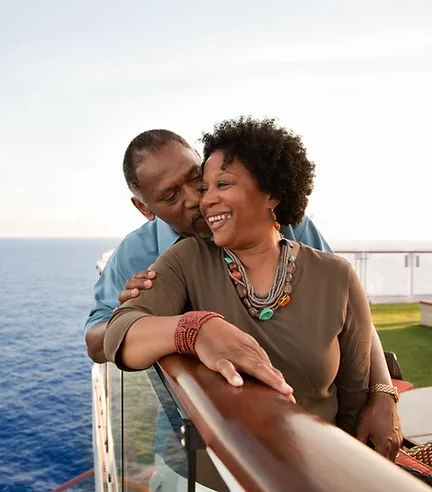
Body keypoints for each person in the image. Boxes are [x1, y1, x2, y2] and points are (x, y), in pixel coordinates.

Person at [85, 126, 402, 457]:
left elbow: (347, 310)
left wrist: (383, 393)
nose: (197, 199)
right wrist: (166, 323)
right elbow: (98, 340)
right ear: (145, 208)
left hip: (316, 449)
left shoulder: (286, 224)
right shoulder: (146, 256)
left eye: (199, 179)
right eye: (171, 196)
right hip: (198, 437)